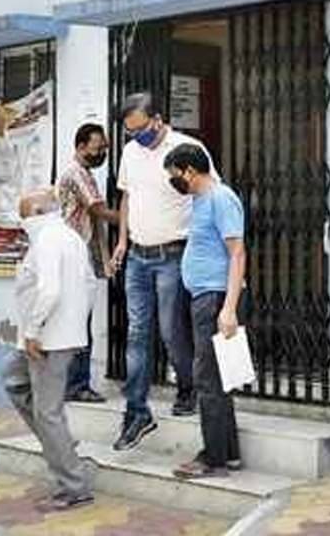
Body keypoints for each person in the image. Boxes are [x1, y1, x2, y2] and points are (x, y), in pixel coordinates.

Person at [110, 92, 217, 451]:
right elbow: (126, 198)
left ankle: (187, 386)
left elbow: (208, 194)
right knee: (137, 333)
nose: (135, 136)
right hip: (137, 257)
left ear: (158, 119)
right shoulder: (130, 152)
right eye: (129, 131)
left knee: (172, 331)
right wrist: (122, 241)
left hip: (173, 254)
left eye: (140, 129)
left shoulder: (187, 148)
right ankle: (136, 411)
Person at [2, 188, 97, 512]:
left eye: (26, 215)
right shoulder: (70, 238)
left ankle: (74, 485)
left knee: (48, 412)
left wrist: (33, 331)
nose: (23, 221)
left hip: (45, 341)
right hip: (56, 336)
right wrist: (76, 323)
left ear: (42, 211)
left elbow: (50, 290)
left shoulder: (47, 240)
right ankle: (63, 448)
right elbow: (90, 285)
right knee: (13, 381)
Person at [163, 143, 246, 479]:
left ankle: (212, 458)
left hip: (215, 299)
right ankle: (228, 453)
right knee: (217, 378)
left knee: (207, 379)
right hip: (204, 296)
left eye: (175, 176)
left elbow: (237, 253)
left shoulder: (220, 198)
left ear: (190, 171)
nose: (174, 182)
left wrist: (228, 309)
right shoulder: (199, 200)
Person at [56, 123, 119, 404]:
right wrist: (130, 219)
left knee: (79, 320)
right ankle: (77, 384)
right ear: (81, 146)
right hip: (76, 257)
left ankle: (74, 383)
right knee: (79, 322)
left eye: (104, 148)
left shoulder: (85, 173)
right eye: (98, 147)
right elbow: (96, 209)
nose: (102, 152)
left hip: (84, 256)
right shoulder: (76, 173)